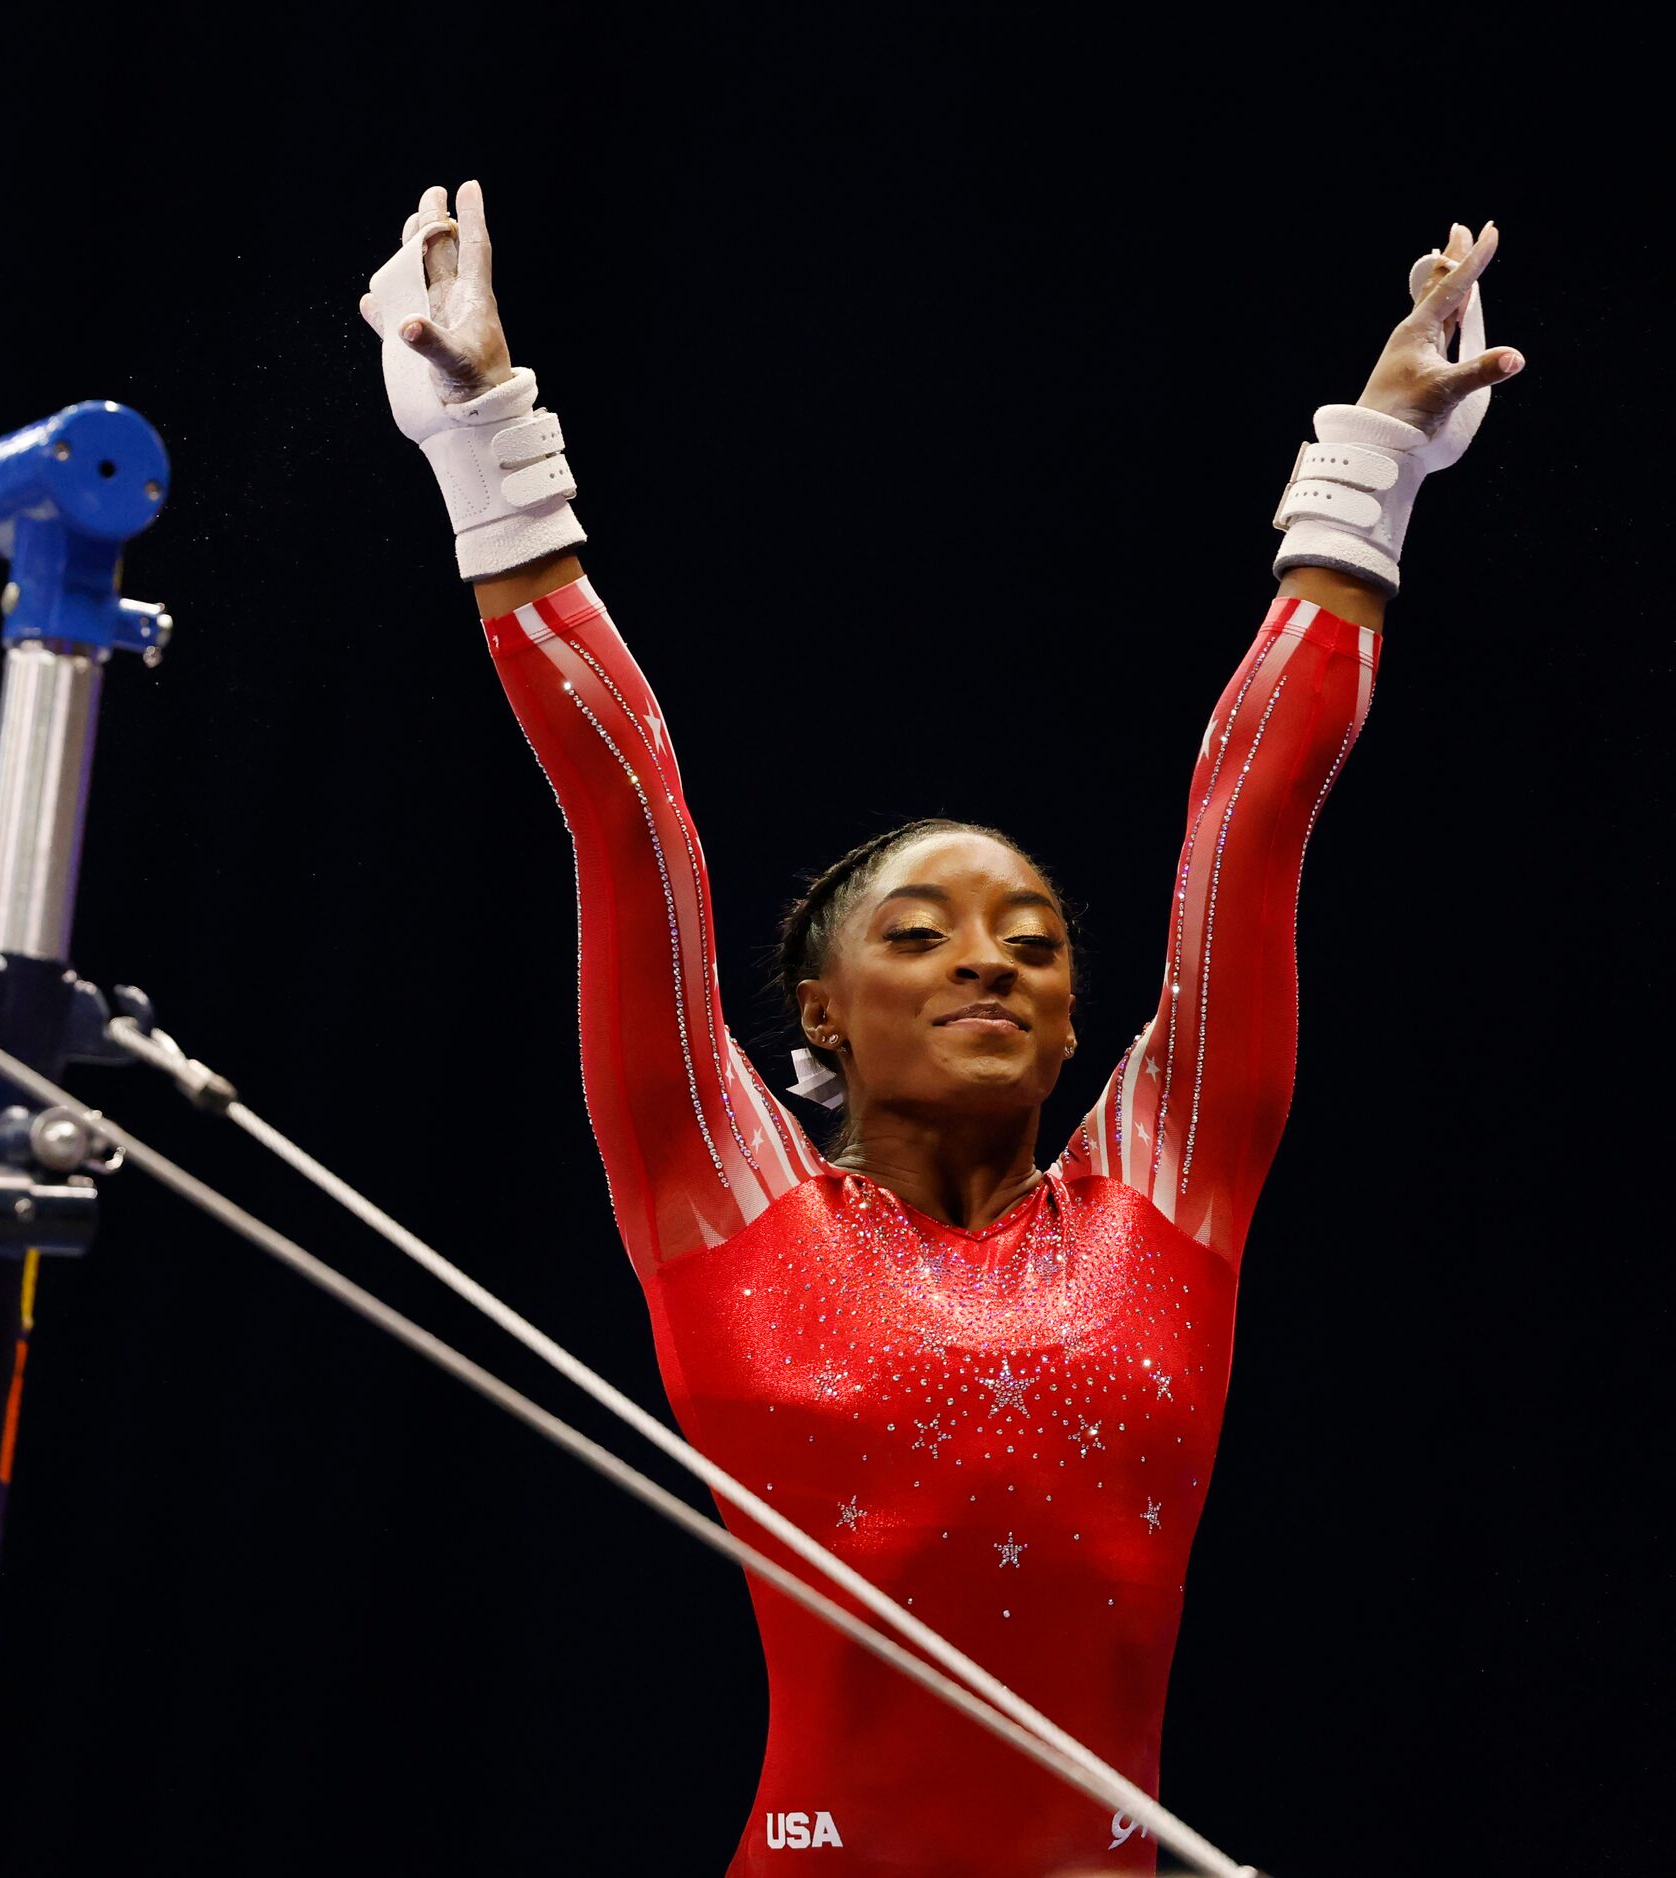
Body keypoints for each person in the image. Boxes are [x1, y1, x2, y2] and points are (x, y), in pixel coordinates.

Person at [357, 182, 1521, 1876]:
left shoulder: (1166, 1189)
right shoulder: (722, 1196)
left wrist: (1371, 475)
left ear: (1074, 1033)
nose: (991, 962)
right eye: (920, 935)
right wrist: (488, 444)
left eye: (1035, 943)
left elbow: (1252, 818)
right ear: (816, 1013)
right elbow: (630, 812)